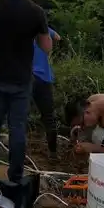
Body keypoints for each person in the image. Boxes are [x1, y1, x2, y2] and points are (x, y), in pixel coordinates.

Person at [0, 0, 52, 184]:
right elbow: (46, 47)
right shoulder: (35, 11)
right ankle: (15, 176)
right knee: (17, 127)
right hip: (20, 79)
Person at [32, 24, 61, 160]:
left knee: (17, 115)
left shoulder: (20, 27)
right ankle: (53, 153)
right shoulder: (43, 29)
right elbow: (57, 37)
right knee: (49, 116)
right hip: (43, 77)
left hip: (26, 76)